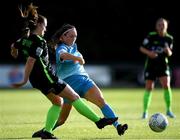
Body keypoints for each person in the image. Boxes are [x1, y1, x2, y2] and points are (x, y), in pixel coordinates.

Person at [11, 11, 118, 139]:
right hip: (47, 77)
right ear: (38, 25)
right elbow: (31, 60)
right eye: (44, 26)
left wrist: (14, 52)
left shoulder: (23, 39)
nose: (45, 29)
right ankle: (98, 121)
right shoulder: (40, 42)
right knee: (74, 97)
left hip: (36, 80)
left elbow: (14, 45)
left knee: (57, 102)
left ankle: (47, 132)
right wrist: (24, 80)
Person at [33, 23, 128, 137]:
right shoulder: (61, 47)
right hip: (68, 86)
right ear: (62, 37)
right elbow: (63, 55)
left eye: (75, 36)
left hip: (84, 81)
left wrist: (78, 58)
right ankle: (46, 131)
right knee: (62, 119)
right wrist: (77, 58)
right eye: (71, 36)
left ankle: (118, 126)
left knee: (101, 101)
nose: (73, 38)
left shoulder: (74, 48)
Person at [140, 18, 175, 119]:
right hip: (151, 66)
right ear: (156, 27)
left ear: (166, 26)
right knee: (149, 87)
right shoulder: (151, 36)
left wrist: (167, 50)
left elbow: (170, 53)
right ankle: (145, 112)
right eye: (159, 24)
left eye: (163, 24)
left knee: (166, 86)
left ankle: (169, 110)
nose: (161, 26)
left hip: (163, 65)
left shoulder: (169, 38)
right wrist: (149, 53)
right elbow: (142, 48)